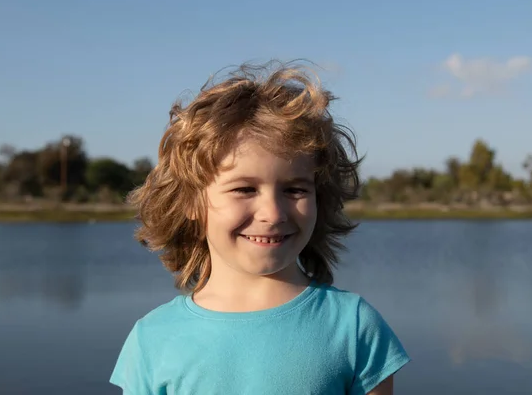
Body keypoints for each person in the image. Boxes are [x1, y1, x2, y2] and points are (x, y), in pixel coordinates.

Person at [110, 60, 410, 394]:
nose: (273, 212)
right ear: (191, 203)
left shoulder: (354, 327)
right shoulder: (154, 338)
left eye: (295, 189)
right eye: (245, 189)